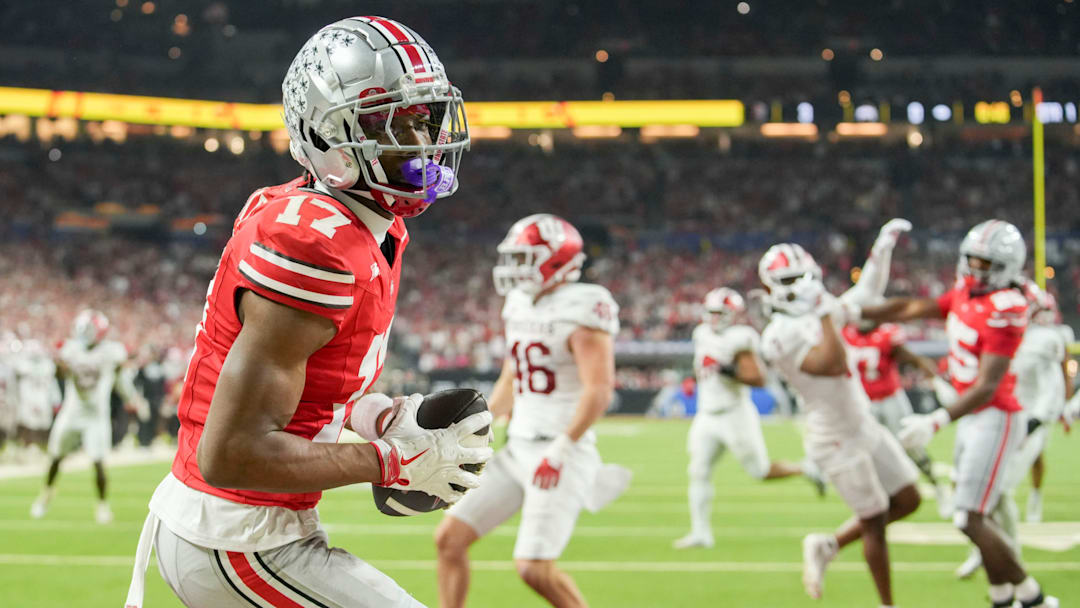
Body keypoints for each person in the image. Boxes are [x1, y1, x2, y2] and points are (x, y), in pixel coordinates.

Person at [124, 17, 490, 608]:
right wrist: (389, 461)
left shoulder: (370, 227)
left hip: (252, 531)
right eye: (391, 124)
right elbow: (231, 453)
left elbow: (306, 388)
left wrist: (373, 416)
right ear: (328, 139)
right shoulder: (313, 243)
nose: (421, 143)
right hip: (233, 538)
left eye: (423, 119)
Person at [857, 220, 1058, 608]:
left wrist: (935, 421)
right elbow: (916, 307)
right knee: (975, 515)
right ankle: (1002, 595)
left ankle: (1034, 599)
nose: (975, 270)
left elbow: (988, 385)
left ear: (1006, 265)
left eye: (985, 264)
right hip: (974, 416)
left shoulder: (1007, 308)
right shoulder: (967, 291)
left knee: (969, 517)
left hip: (996, 416)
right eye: (972, 261)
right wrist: (859, 312)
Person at [435, 213, 629, 608]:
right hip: (518, 447)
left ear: (558, 261)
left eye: (525, 259)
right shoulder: (519, 302)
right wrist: (477, 426)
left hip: (560, 451)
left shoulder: (585, 304)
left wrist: (561, 450)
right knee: (449, 541)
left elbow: (599, 390)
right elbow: (512, 378)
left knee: (534, 569)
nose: (514, 269)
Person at [756, 238, 921, 608]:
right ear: (769, 287)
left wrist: (882, 249)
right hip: (833, 437)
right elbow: (832, 364)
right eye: (788, 279)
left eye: (802, 276)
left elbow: (866, 294)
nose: (797, 285)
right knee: (875, 519)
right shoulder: (778, 334)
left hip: (862, 422)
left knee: (909, 499)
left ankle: (827, 545)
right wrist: (823, 314)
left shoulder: (817, 309)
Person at [673, 287, 824, 550]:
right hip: (706, 415)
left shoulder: (740, 338)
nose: (715, 317)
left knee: (760, 471)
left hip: (735, 414)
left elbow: (758, 379)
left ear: (733, 314)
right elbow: (702, 366)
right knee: (698, 472)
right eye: (712, 312)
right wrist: (692, 379)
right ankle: (701, 533)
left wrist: (723, 368)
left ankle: (806, 468)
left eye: (721, 312)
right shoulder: (701, 334)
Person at [953, 281, 1073, 579]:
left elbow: (1053, 386)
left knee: (999, 489)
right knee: (984, 490)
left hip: (1028, 421)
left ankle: (1010, 560)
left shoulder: (1044, 339)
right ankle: (988, 552)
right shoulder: (1003, 332)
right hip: (1000, 417)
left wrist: (1037, 421)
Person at [31, 310, 141, 524]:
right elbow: (60, 374)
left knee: (98, 462)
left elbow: (120, 377)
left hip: (96, 417)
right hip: (72, 412)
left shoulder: (112, 352)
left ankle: (102, 505)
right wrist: (58, 367)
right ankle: (45, 496)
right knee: (56, 456)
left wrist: (131, 397)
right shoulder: (71, 349)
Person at [842, 320, 953, 517]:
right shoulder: (845, 333)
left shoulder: (886, 335)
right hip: (864, 402)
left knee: (910, 445)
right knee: (866, 450)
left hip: (890, 399)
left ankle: (937, 487)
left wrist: (934, 379)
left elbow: (911, 358)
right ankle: (880, 497)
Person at [11, 339, 61, 458]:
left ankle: (40, 448)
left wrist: (56, 400)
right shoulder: (23, 365)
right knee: (28, 424)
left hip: (40, 398)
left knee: (42, 426)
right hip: (29, 398)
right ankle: (28, 449)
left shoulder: (47, 366)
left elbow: (52, 385)